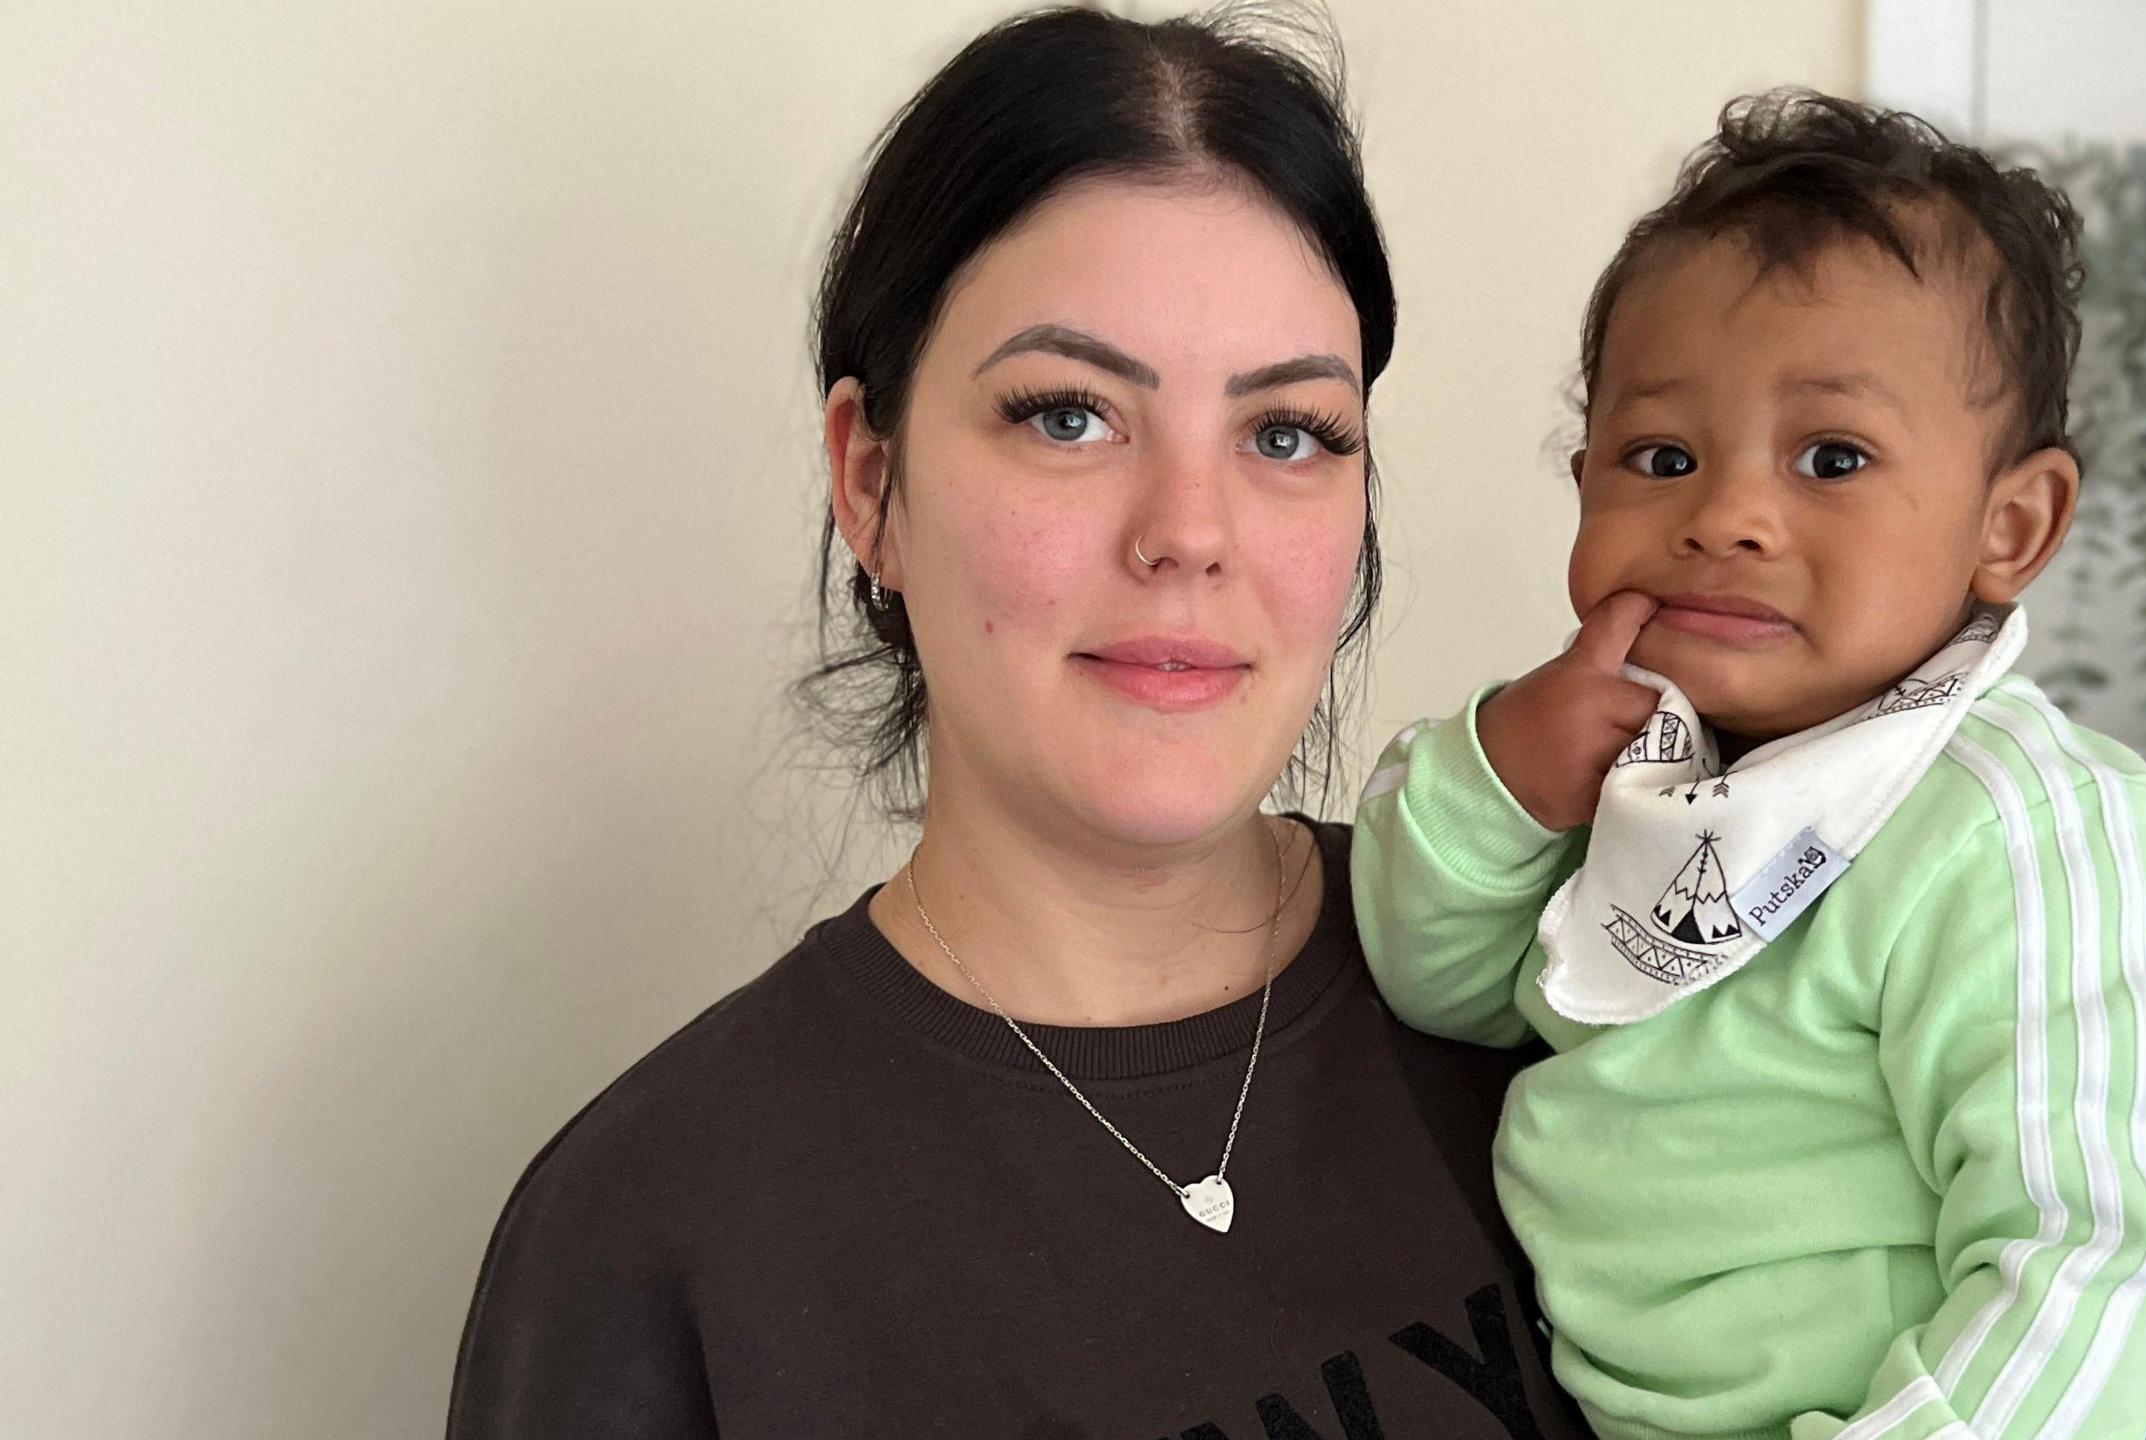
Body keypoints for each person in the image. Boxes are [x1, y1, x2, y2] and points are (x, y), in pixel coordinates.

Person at [446, 9, 1591, 1437]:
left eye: (1287, 432)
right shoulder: (653, 1238)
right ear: (870, 485)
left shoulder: (1579, 1000)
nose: (1190, 531)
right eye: (1068, 415)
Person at [1353, 92, 2146, 1440]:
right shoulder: (1642, 757)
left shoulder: (2013, 826)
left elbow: (2099, 1255)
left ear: (2013, 524)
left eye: (1832, 458)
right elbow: (1442, 989)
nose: (1728, 517)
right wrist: (1500, 780)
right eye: (1661, 455)